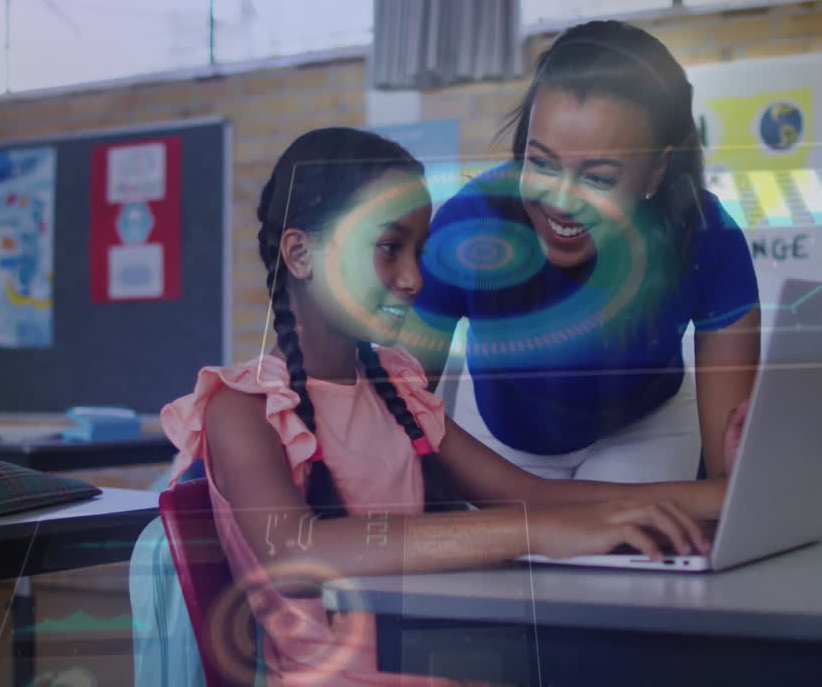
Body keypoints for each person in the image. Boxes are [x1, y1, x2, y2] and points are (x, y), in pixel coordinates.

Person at [160, 127, 729, 687]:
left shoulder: (396, 387)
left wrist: (722, 497)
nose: (413, 279)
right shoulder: (242, 405)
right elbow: (295, 550)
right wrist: (535, 533)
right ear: (301, 253)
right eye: (389, 247)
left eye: (419, 251)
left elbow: (531, 495)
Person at [405, 20, 760, 484]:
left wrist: (741, 485)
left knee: (636, 551)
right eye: (542, 164)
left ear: (656, 172)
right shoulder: (468, 228)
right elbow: (396, 404)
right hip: (506, 438)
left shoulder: (704, 235)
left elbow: (727, 480)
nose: (561, 200)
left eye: (598, 177)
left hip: (645, 428)